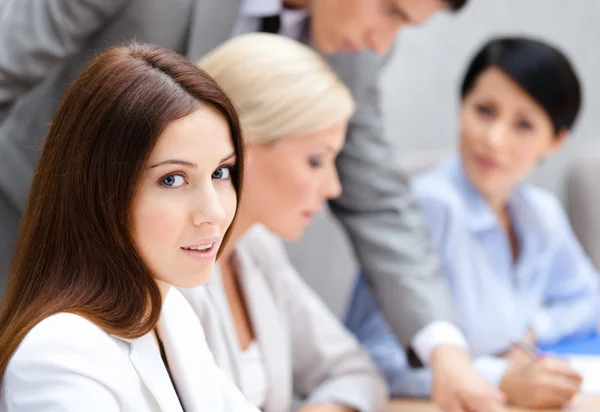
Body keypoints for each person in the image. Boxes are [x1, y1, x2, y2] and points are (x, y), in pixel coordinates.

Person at [0, 2, 506, 412]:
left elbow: (376, 194)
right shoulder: (62, 356)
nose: (381, 41)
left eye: (222, 171)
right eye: (390, 11)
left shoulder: (177, 307)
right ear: (253, 141)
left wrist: (443, 348)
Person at [0, 42, 258, 412]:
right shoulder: (59, 356)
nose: (213, 212)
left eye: (220, 172)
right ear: (99, 190)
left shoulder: (171, 315)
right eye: (173, 179)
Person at [345, 36, 600, 410]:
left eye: (524, 125)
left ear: (556, 141)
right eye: (484, 110)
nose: (494, 139)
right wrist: (500, 377)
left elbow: (588, 299)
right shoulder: (427, 207)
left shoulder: (538, 212)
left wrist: (532, 331)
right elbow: (372, 359)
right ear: (462, 106)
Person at [181, 33, 388, 412]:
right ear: (239, 146)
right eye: (315, 160)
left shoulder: (257, 250)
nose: (333, 187)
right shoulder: (169, 275)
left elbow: (355, 371)